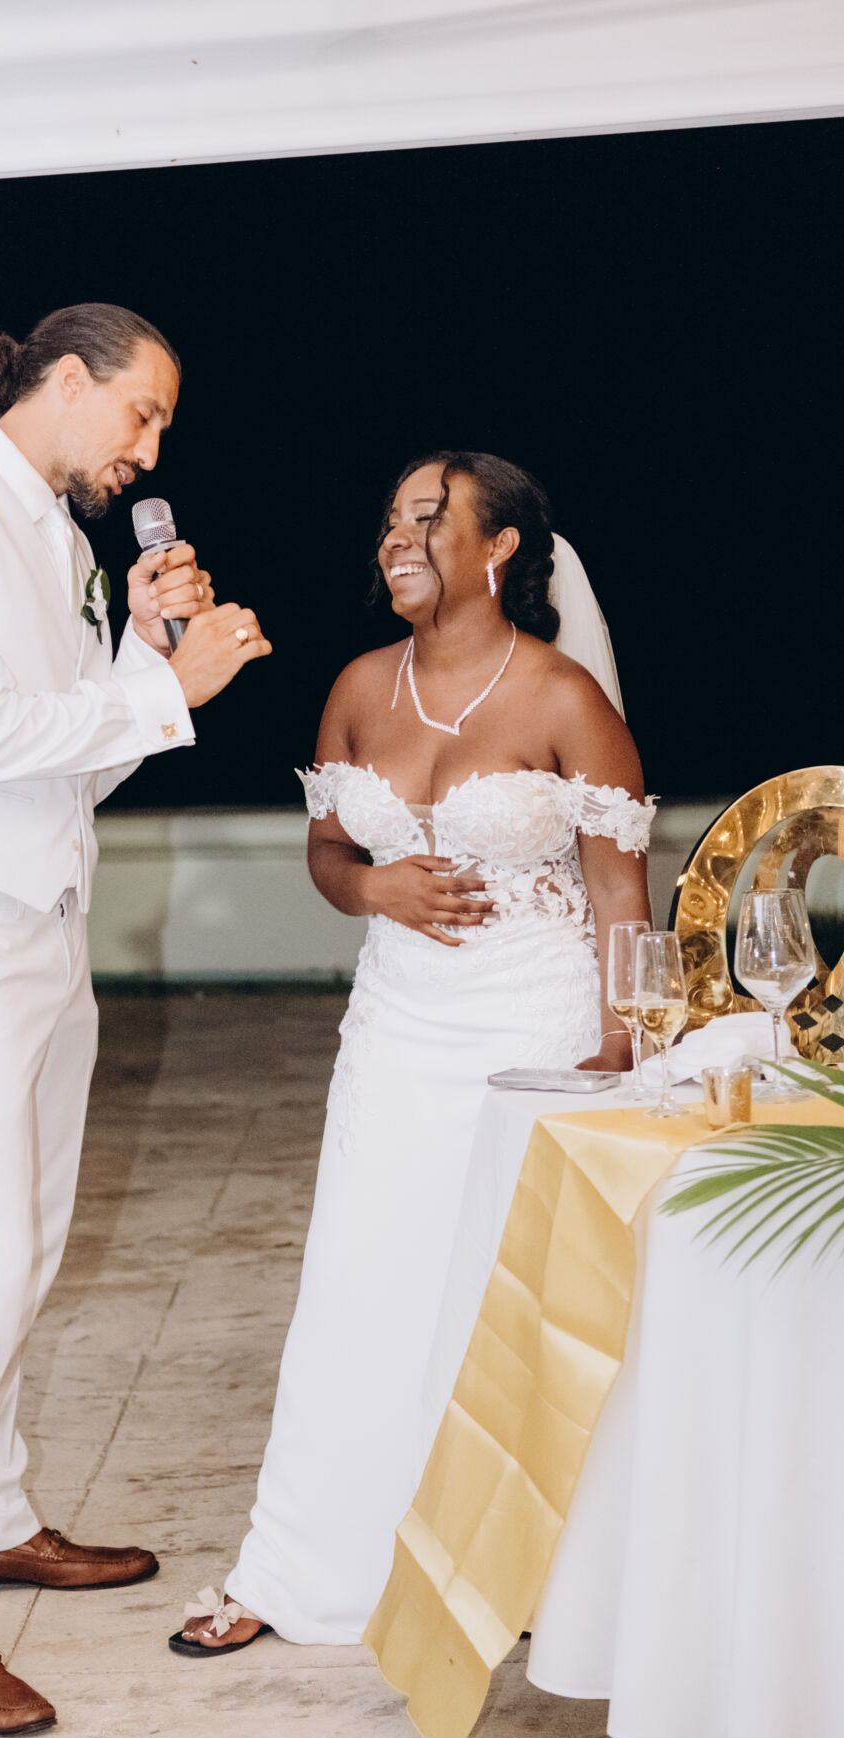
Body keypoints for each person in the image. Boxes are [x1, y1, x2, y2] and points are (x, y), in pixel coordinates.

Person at [0, 303, 271, 1735]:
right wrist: (161, 687)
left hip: (42, 910)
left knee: (26, 1243)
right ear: (68, 380)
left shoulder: (64, 541)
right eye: (142, 414)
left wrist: (143, 655)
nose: (150, 450)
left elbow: (68, 768)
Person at [171, 451, 653, 1656]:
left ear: (500, 547)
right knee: (359, 1284)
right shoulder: (355, 687)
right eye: (390, 519)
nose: (397, 538)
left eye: (429, 519)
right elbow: (328, 853)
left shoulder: (562, 698)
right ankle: (304, 1568)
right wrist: (369, 886)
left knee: (507, 1295)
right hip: (395, 1029)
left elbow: (616, 889)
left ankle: (532, 1579)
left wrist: (617, 1044)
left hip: (534, 1029)